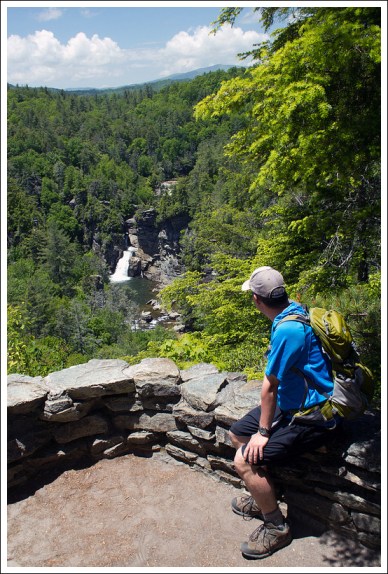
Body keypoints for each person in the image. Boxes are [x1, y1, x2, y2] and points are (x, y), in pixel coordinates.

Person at [229, 266, 343, 559]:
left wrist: (263, 433)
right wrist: (255, 433)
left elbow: (269, 387)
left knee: (243, 461)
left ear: (257, 299)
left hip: (314, 414)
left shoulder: (287, 329)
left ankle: (276, 526)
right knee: (237, 434)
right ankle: (265, 493)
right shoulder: (294, 312)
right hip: (293, 402)